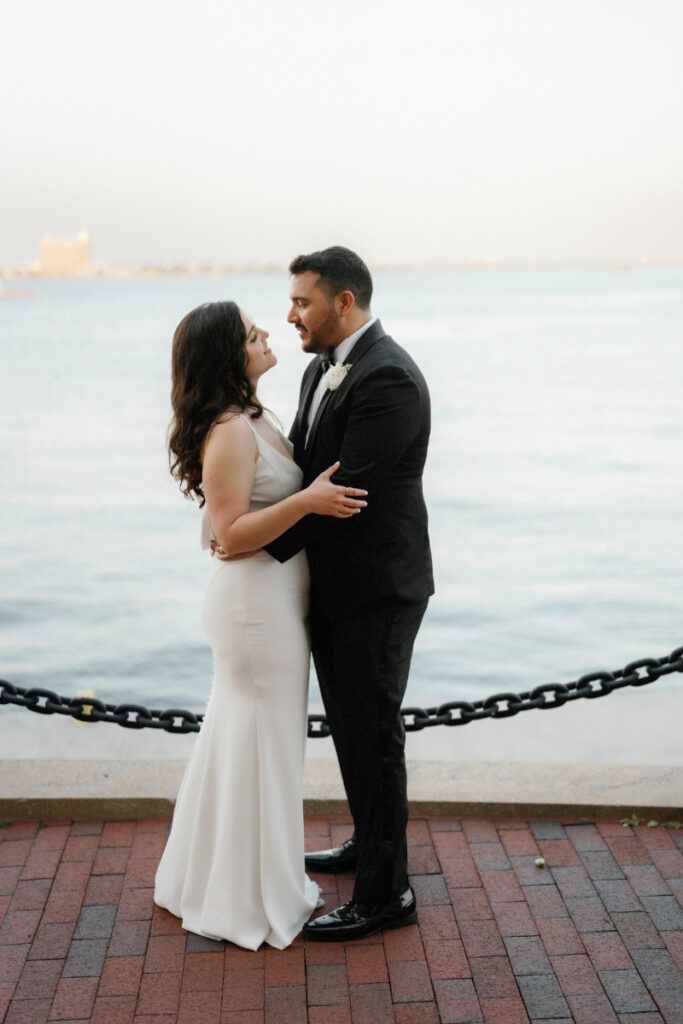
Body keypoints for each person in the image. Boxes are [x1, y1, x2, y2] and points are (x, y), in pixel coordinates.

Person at [153, 300, 367, 950]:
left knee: (255, 740)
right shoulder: (229, 431)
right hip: (252, 609)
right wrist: (307, 501)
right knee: (257, 743)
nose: (267, 333)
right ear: (227, 355)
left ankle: (219, 878)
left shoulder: (255, 417)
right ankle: (243, 897)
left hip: (274, 603)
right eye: (251, 334)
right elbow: (230, 537)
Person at [264, 246, 434, 941]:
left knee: (372, 735)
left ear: (343, 302)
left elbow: (343, 492)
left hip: (376, 588)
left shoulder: (387, 376)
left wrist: (249, 544)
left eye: (302, 301)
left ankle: (385, 895)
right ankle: (369, 845)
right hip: (336, 588)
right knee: (352, 731)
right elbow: (307, 469)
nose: (290, 314)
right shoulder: (318, 368)